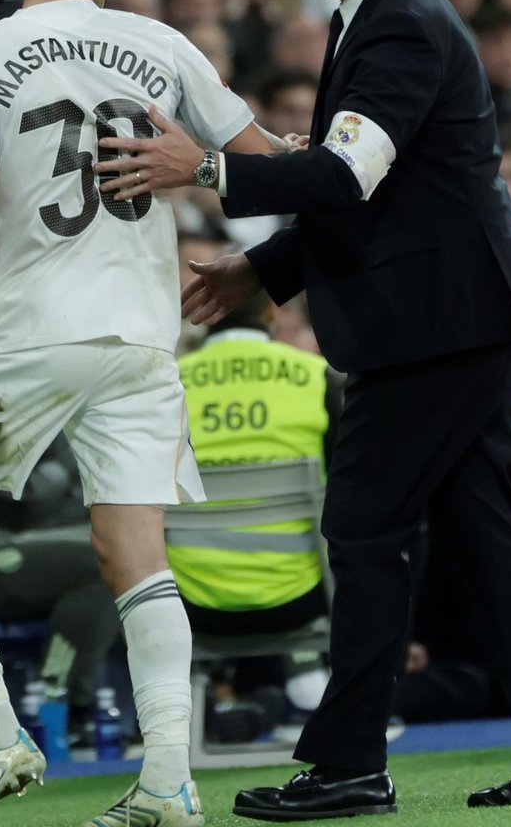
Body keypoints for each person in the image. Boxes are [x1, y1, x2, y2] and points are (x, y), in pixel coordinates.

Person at [99, 0, 511, 817]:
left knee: (365, 525)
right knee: (481, 534)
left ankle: (348, 765)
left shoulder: (403, 24)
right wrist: (266, 268)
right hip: (457, 317)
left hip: (441, 329)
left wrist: (204, 167)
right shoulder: (382, 18)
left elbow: (347, 178)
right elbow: (385, 197)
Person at [0, 0, 283, 827]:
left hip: (32, 332)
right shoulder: (162, 43)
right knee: (135, 553)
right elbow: (269, 163)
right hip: (143, 335)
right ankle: (169, 779)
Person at [172, 288, 336, 728]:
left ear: (207, 314)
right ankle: (351, 689)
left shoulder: (165, 384)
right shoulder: (316, 376)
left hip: (194, 602)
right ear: (270, 312)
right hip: (304, 598)